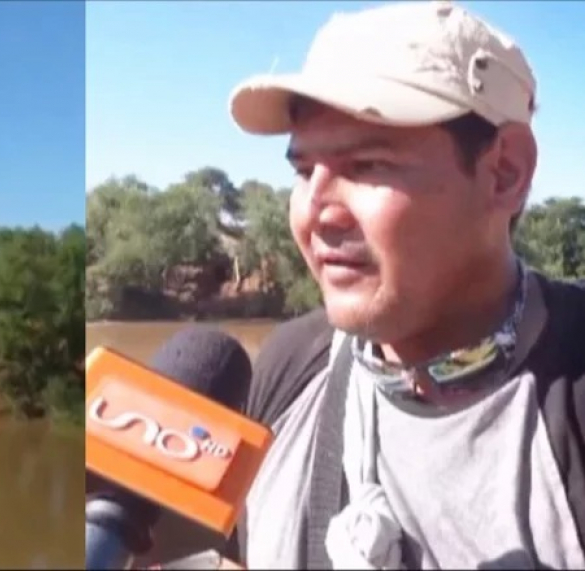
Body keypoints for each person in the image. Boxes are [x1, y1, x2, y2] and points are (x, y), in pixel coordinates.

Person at [225, 2, 585, 569]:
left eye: (368, 165)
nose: (315, 213)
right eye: (302, 171)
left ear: (504, 173)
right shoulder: (291, 366)